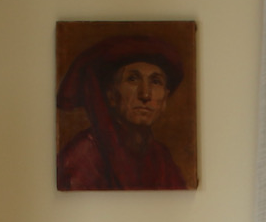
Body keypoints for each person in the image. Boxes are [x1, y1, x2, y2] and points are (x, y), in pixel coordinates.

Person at [56, 34, 190, 190]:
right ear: (111, 95)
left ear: (165, 99)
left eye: (155, 81)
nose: (145, 95)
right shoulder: (83, 156)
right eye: (133, 79)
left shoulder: (162, 158)